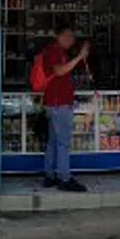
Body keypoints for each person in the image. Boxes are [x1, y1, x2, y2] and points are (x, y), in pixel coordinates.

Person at [41, 24, 90, 192]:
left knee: (54, 142)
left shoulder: (58, 51)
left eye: (72, 37)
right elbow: (60, 71)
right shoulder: (55, 51)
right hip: (59, 103)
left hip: (56, 103)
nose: (70, 40)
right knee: (62, 143)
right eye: (67, 36)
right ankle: (65, 178)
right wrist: (79, 57)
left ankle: (49, 176)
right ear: (58, 36)